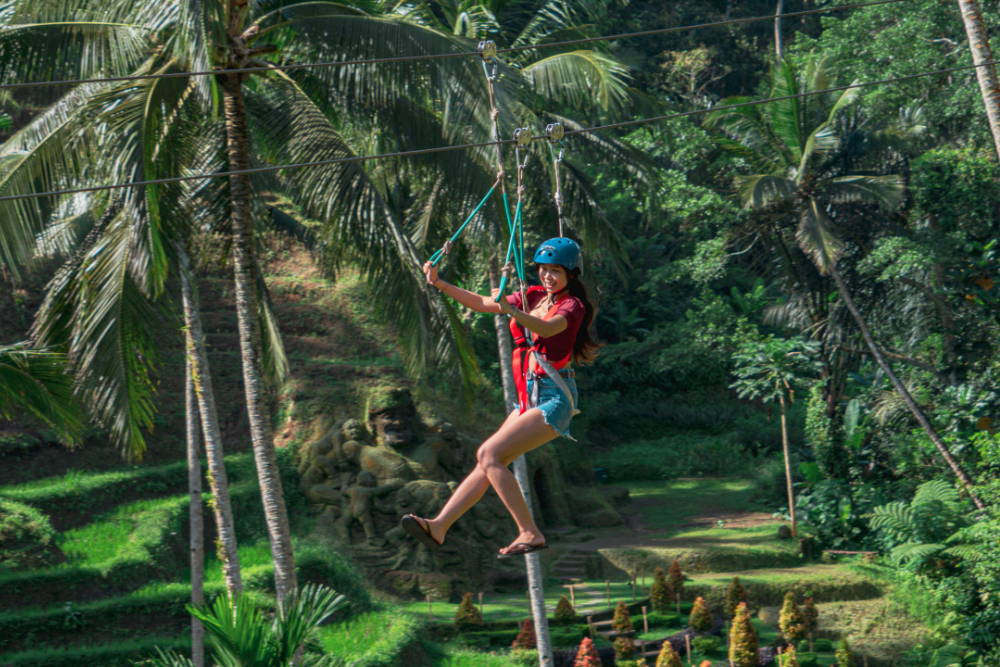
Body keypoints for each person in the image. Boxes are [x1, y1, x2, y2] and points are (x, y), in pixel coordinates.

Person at [400, 237, 600, 558]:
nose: (547, 277)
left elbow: (547, 330)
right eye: (543, 270)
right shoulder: (532, 295)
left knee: (489, 453)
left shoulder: (572, 306)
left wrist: (511, 310)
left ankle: (530, 532)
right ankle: (438, 527)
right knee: (487, 462)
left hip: (553, 399)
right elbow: (481, 302)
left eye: (556, 272)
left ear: (571, 274)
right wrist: (439, 282)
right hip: (529, 397)